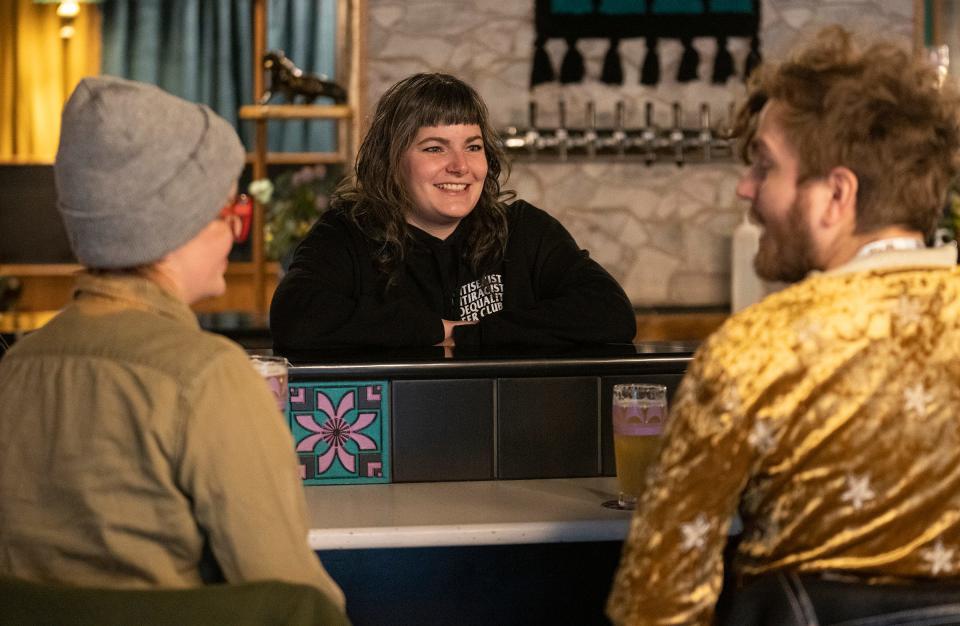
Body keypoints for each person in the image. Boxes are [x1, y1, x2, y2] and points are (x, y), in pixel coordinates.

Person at [607, 26, 960, 625]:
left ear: (836, 196)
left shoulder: (755, 349)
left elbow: (658, 602)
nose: (745, 189)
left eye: (765, 167)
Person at [0, 77, 344, 609]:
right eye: (232, 213)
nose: (237, 233)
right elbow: (293, 598)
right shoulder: (208, 378)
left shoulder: (15, 368)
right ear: (172, 226)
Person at [269, 73, 636, 351]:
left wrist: (472, 336)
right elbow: (295, 319)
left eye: (473, 147)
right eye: (435, 148)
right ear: (391, 161)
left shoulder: (524, 230)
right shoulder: (347, 233)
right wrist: (433, 330)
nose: (460, 166)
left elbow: (610, 313)